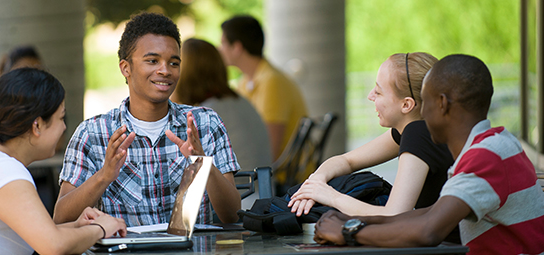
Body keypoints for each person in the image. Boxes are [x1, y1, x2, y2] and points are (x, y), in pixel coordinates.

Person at [313, 54, 544, 255]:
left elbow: (428, 231)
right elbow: (431, 212)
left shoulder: (486, 156)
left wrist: (348, 232)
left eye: (426, 102)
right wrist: (355, 221)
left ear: (442, 104)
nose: (421, 113)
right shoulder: (497, 143)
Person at [54, 12, 241, 226]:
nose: (165, 71)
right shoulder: (93, 133)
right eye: (153, 61)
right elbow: (61, 218)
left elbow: (232, 215)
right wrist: (104, 176)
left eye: (173, 63)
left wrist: (201, 162)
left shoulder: (205, 123)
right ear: (126, 68)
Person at [0, 68, 127, 254]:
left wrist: (79, 227)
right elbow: (53, 246)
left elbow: (40, 235)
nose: (64, 127)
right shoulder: (2, 170)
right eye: (61, 118)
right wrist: (100, 228)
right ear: (37, 126)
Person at [289, 53, 453, 217]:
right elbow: (347, 161)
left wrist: (331, 196)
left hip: (451, 243)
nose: (370, 96)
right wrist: (316, 181)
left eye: (378, 92)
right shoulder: (422, 128)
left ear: (406, 104)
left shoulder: (417, 132)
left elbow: (394, 215)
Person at [171, 38, 272, 173]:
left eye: (174, 64)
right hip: (262, 187)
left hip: (242, 190)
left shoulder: (207, 114)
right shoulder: (238, 101)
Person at [219, 15, 308, 166]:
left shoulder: (272, 82)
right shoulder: (245, 82)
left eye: (223, 43)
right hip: (268, 172)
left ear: (237, 48)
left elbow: (269, 150)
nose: (219, 49)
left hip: (280, 177)